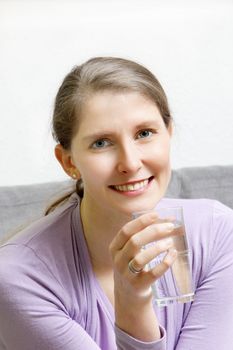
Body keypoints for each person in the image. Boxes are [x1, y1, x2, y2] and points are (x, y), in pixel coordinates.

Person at [0, 57, 233, 350]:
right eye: (101, 143)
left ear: (168, 133)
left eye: (144, 133)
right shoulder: (19, 277)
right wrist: (132, 303)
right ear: (68, 162)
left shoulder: (219, 232)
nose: (130, 163)